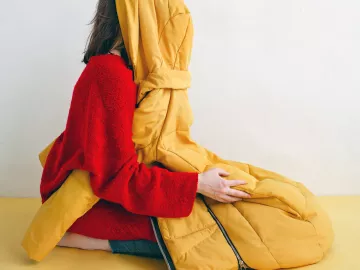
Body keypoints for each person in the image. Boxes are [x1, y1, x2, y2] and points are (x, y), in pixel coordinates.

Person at [41, 0, 250, 258]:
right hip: (91, 200)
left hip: (118, 183)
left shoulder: (135, 73)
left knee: (239, 210)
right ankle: (87, 238)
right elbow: (115, 176)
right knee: (202, 232)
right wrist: (197, 184)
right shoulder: (109, 73)